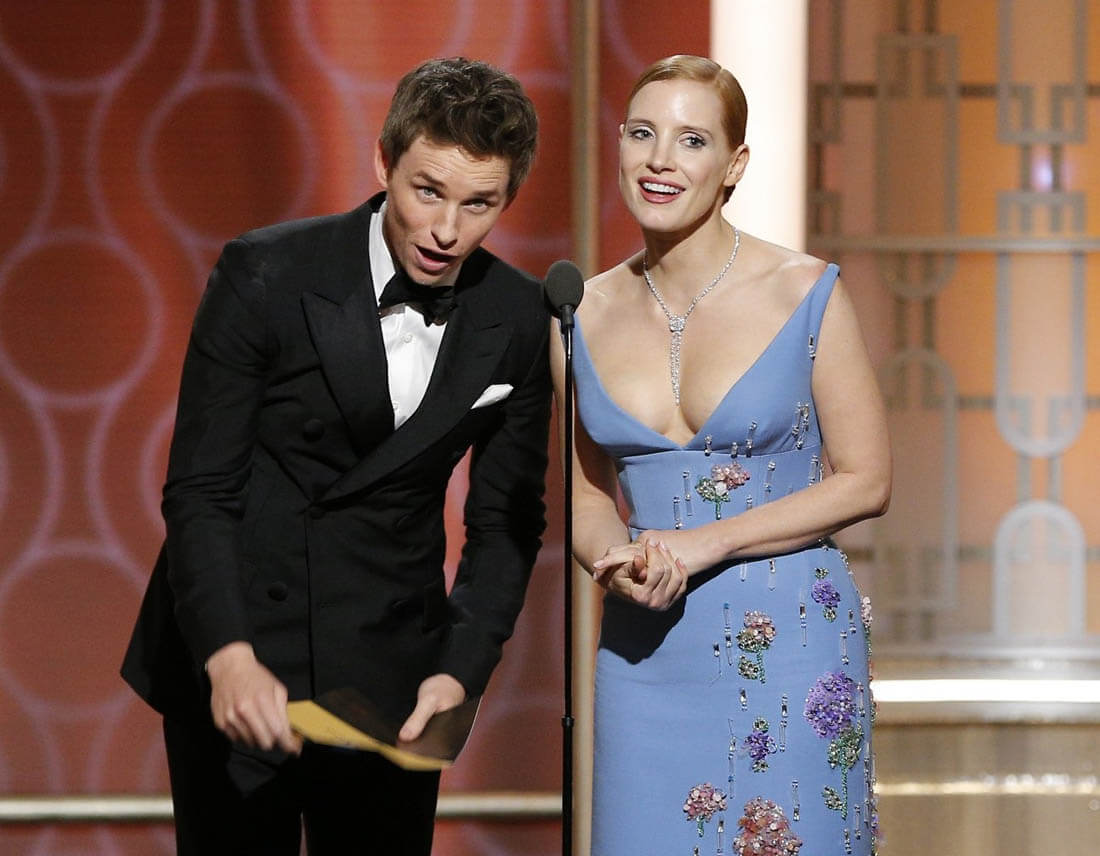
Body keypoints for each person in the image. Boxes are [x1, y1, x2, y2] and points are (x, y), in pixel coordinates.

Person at [122, 57, 549, 855]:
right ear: (383, 162)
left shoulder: (519, 318)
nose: (447, 230)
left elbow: (507, 523)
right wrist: (227, 656)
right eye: (428, 191)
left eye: (479, 203)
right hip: (243, 641)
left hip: (391, 672)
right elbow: (201, 491)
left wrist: (460, 669)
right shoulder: (267, 272)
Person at [551, 55, 891, 855]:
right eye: (642, 133)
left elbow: (868, 479)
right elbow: (583, 496)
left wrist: (708, 542)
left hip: (793, 644)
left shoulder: (803, 291)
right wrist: (613, 561)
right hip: (646, 652)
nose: (661, 159)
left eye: (691, 139)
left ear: (733, 164)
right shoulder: (579, 311)